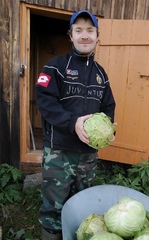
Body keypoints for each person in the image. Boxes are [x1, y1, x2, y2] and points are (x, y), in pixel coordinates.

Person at [35, 10, 116, 240]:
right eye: (78, 30)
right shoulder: (55, 67)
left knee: (83, 202)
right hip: (59, 152)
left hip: (88, 154)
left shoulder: (102, 75)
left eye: (90, 30)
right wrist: (72, 122)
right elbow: (44, 100)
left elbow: (108, 107)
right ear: (70, 35)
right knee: (53, 205)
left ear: (97, 36)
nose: (84, 36)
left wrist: (110, 129)